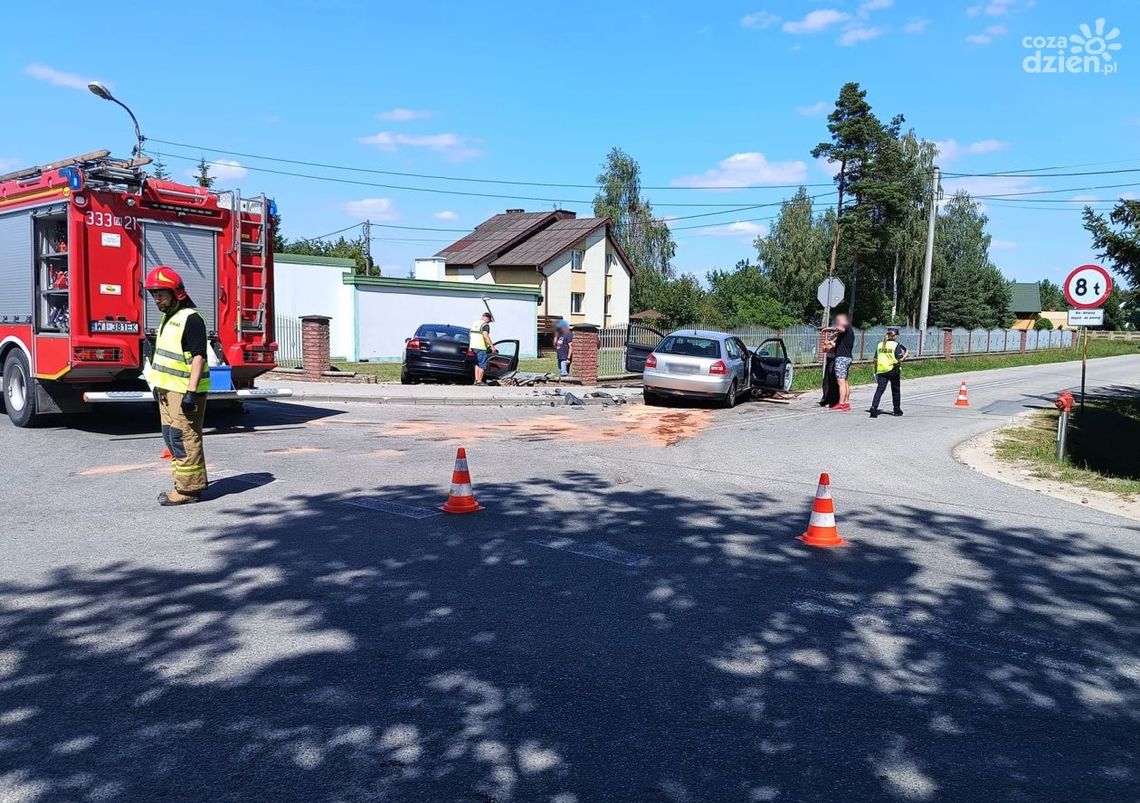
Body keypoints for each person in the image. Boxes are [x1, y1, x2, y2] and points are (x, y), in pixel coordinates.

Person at [144, 266, 211, 505]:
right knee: (171, 437)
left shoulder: (191, 319)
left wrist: (191, 392)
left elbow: (199, 357)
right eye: (154, 295)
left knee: (184, 438)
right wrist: (157, 385)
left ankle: (188, 491)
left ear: (177, 294)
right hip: (167, 391)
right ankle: (184, 482)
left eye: (161, 295)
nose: (157, 300)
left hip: (184, 392)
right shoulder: (168, 318)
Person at [869, 326, 908, 418]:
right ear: (895, 336)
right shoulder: (896, 345)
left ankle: (874, 407)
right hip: (893, 370)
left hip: (881, 370)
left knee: (880, 390)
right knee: (895, 390)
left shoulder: (880, 344)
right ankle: (897, 410)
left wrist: (876, 370)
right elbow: (900, 358)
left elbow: (875, 359)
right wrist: (906, 355)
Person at [829, 312, 855, 411]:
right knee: (845, 381)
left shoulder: (845, 327)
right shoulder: (849, 331)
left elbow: (841, 329)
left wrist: (830, 328)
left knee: (841, 381)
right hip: (847, 357)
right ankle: (846, 402)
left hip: (842, 358)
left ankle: (842, 403)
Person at [469, 311, 495, 385]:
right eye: (489, 321)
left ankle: (476, 380)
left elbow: (470, 335)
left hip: (473, 346)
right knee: (482, 364)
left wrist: (470, 346)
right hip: (481, 347)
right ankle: (479, 381)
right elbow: (485, 336)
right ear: (488, 319)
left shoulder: (475, 324)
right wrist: (492, 346)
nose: (489, 323)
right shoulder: (485, 325)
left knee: (477, 364)